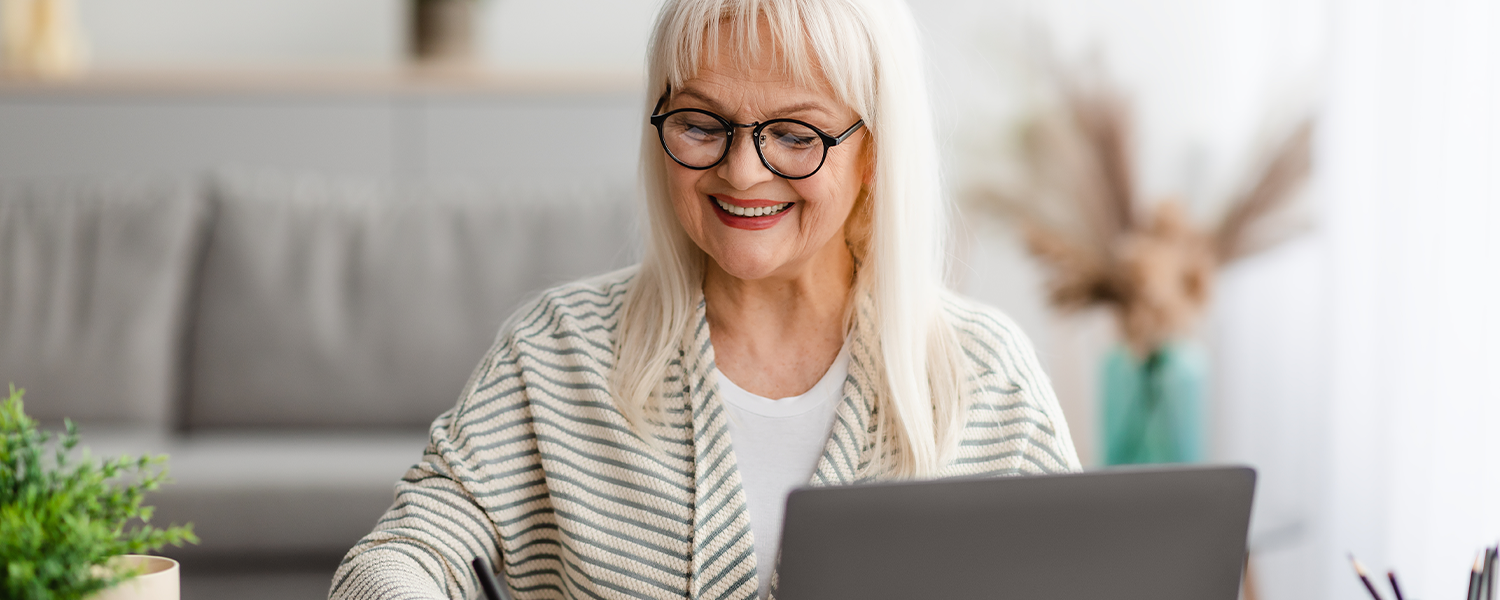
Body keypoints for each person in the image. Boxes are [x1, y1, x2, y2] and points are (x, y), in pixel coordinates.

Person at [329, 0, 1079, 598]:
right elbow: (397, 558)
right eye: (699, 123)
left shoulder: (985, 374)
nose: (743, 171)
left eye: (795, 134)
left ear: (874, 154)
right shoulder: (556, 350)